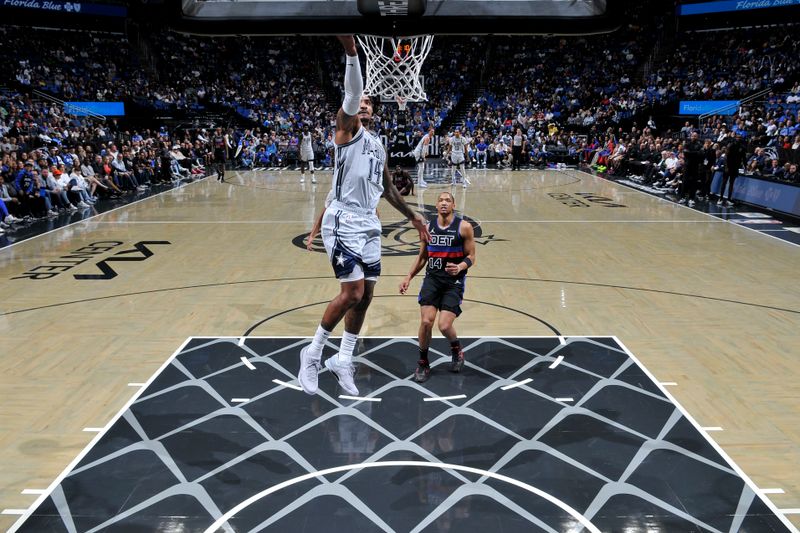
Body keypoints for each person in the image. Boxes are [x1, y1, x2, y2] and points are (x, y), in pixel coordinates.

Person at [297, 36, 430, 397]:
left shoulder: (377, 144)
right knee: (352, 292)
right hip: (343, 219)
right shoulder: (346, 129)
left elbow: (388, 188)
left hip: (370, 222)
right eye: (362, 100)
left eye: (371, 101)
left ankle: (343, 359)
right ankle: (312, 352)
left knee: (367, 295)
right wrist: (352, 55)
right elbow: (351, 94)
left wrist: (414, 218)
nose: (364, 104)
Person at [399, 191, 476, 383]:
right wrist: (408, 276)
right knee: (426, 322)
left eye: (447, 200)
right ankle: (423, 362)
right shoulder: (427, 228)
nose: (444, 203)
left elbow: (472, 257)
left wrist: (459, 266)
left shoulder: (464, 227)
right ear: (436, 205)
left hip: (453, 282)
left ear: (453, 205)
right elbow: (423, 257)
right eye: (441, 200)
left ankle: (456, 349)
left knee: (444, 325)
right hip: (432, 279)